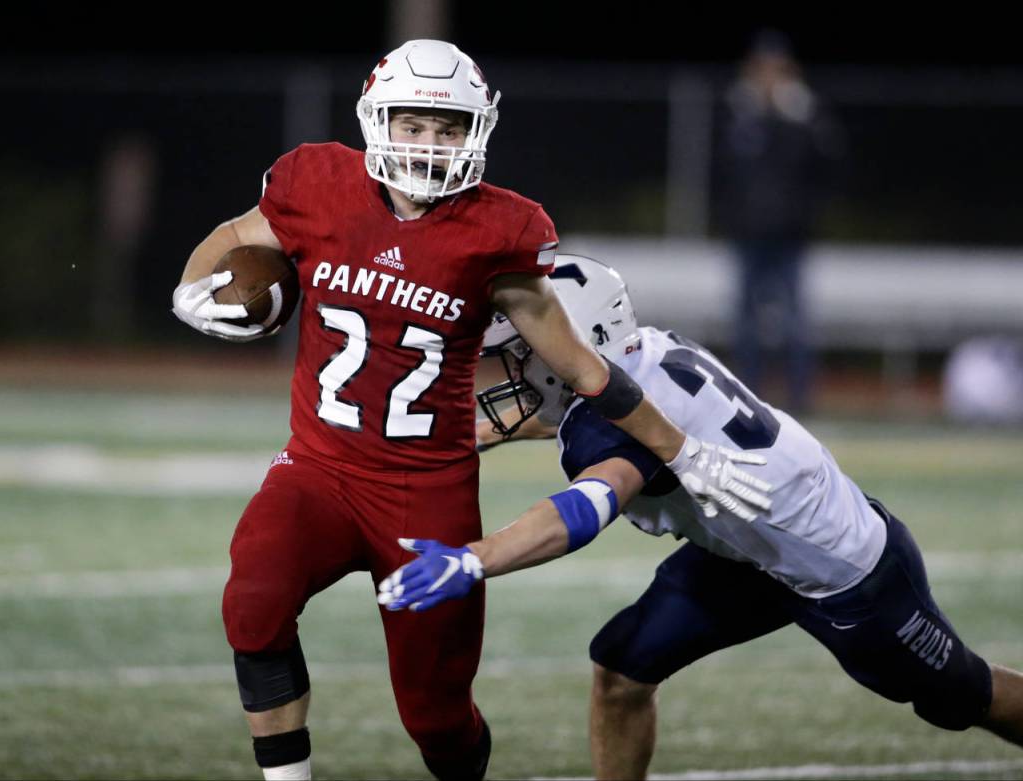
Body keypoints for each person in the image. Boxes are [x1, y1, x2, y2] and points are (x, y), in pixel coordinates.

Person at [171, 41, 768, 781]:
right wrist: (190, 287)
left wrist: (681, 450)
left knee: (435, 714)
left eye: (447, 129)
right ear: (377, 119)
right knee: (253, 601)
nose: (428, 145)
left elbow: (585, 369)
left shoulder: (499, 232)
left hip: (426, 490)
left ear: (475, 132)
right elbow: (235, 236)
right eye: (413, 125)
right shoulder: (313, 182)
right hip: (318, 467)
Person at [378, 254, 1023, 780]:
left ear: (580, 341)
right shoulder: (642, 354)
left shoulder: (611, 425)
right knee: (622, 666)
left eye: (531, 344)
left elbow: (586, 506)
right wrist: (502, 429)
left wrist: (475, 557)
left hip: (844, 571)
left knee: (961, 697)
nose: (517, 361)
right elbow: (620, 418)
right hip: (748, 550)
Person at [718, 30, 844, 412]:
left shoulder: (804, 115)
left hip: (790, 234)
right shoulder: (738, 114)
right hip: (748, 234)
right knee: (746, 326)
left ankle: (800, 402)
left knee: (794, 325)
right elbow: (722, 171)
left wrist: (798, 119)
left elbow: (826, 168)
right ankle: (749, 400)